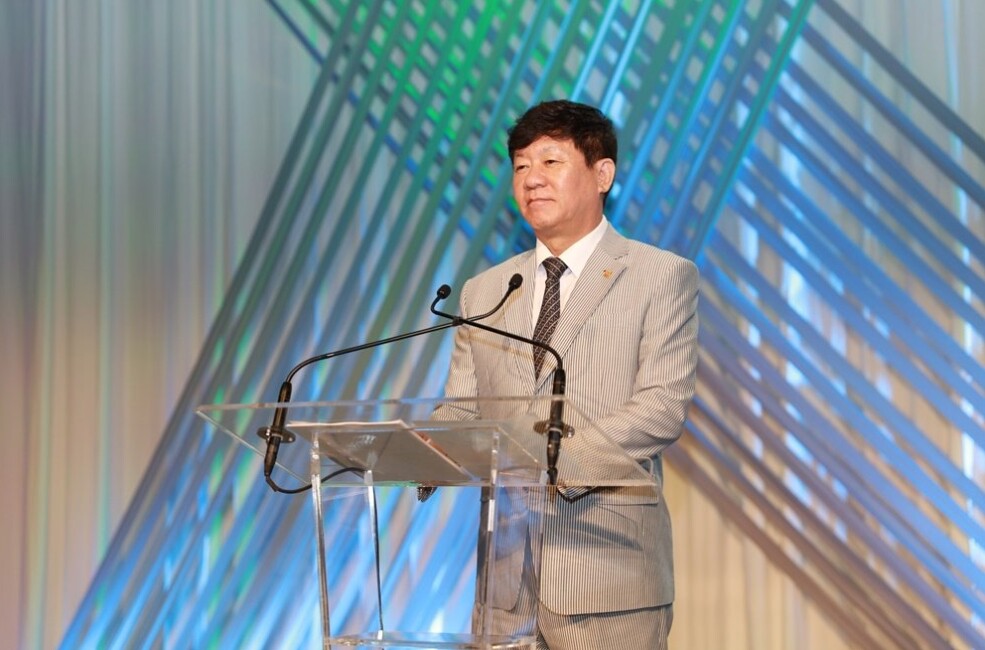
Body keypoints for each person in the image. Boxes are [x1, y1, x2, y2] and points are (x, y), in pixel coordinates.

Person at [440, 99, 699, 649]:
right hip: (505, 586)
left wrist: (553, 462)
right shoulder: (485, 291)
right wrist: (412, 447)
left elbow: (661, 408)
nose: (531, 179)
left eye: (550, 162)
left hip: (608, 576)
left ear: (602, 174)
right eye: (520, 166)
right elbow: (461, 408)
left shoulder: (659, 276)